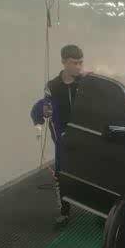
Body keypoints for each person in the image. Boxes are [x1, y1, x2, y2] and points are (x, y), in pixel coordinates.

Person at [30, 44, 84, 225]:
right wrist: (42, 113)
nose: (78, 67)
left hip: (86, 138)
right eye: (74, 63)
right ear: (64, 62)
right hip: (62, 141)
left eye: (81, 63)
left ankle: (100, 211)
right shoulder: (52, 86)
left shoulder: (85, 83)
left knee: (91, 174)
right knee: (61, 176)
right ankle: (64, 211)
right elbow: (44, 107)